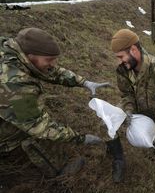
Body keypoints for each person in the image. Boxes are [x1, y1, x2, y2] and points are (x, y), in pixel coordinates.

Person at [0, 28, 109, 178]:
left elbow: (51, 70)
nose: (53, 64)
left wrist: (84, 82)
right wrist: (80, 138)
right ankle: (59, 169)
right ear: (30, 57)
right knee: (29, 131)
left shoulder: (11, 49)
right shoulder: (15, 85)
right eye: (49, 60)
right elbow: (40, 128)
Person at [111, 29, 155, 178]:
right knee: (108, 119)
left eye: (121, 56)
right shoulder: (123, 70)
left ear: (133, 50)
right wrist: (128, 111)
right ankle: (119, 160)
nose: (119, 61)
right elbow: (126, 94)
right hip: (136, 110)